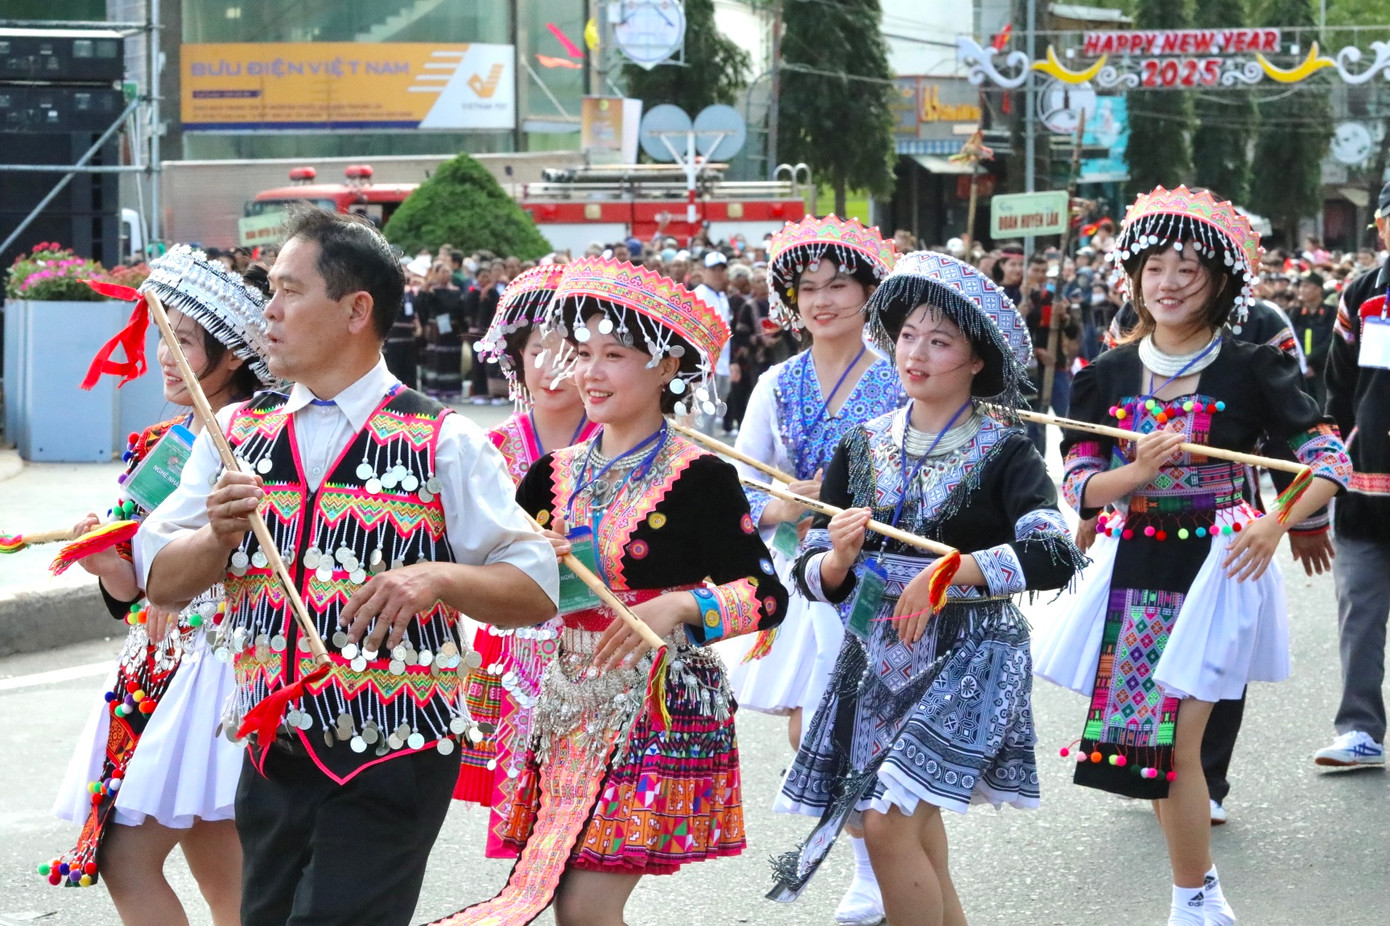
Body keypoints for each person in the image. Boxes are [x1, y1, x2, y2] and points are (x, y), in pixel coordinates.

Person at [136, 208, 559, 926]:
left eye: (288, 290)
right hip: (272, 752)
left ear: (357, 309)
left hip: (393, 755)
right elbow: (160, 579)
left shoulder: (443, 439)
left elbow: (536, 587)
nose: (267, 311)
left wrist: (439, 578)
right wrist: (216, 537)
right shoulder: (235, 434)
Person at [1033, 186, 1350, 925]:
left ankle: (1193, 900)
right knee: (1154, 748)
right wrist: (1135, 474)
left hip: (1220, 567)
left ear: (1221, 282)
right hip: (1137, 565)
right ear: (1133, 277)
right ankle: (1198, 895)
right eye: (1155, 268)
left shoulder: (1251, 367)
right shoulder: (1103, 375)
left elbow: (1326, 457)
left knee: (1182, 737)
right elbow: (1079, 485)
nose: (1169, 283)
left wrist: (1276, 523)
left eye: (1189, 268)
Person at [450, 256, 787, 926]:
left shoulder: (700, 477)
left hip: (652, 707)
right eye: (582, 355)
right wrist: (523, 561)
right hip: (559, 706)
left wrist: (683, 606)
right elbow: (492, 582)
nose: (589, 374)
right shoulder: (549, 476)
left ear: (664, 368)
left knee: (583, 907)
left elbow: (768, 594)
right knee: (566, 907)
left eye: (614, 355)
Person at [771, 250, 1084, 926]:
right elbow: (814, 566)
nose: (916, 352)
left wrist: (952, 574)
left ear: (976, 362)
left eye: (940, 341)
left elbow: (1054, 554)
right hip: (880, 656)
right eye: (909, 335)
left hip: (971, 654)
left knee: (886, 822)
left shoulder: (1007, 451)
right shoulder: (859, 445)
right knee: (904, 823)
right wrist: (837, 559)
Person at [46, 246, 277, 924]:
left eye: (184, 341)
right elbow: (139, 592)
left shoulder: (259, 445)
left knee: (132, 858)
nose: (165, 357)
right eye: (161, 339)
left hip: (217, 672)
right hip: (161, 667)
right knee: (225, 882)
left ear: (233, 355)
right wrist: (110, 566)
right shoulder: (161, 447)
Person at [727, 214, 902, 926]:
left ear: (869, 293)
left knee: (860, 728)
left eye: (839, 284)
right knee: (812, 731)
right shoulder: (775, 382)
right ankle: (866, 869)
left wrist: (855, 504)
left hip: (879, 571)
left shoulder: (898, 377)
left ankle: (888, 866)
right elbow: (738, 489)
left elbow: (918, 475)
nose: (822, 299)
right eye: (808, 288)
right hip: (803, 574)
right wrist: (781, 503)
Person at [454, 262, 599, 848]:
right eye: (540, 349)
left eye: (571, 349)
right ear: (516, 357)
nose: (553, 366)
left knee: (590, 818)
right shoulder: (490, 449)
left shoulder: (619, 442)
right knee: (524, 815)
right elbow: (463, 549)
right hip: (516, 639)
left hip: (596, 633)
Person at [1313, 180, 1390, 769]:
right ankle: (1360, 727)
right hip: (1367, 489)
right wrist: (1329, 462)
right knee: (1359, 612)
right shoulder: (1363, 295)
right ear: (1381, 227)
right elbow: (1336, 391)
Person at [417, 258, 465, 398]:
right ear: (436, 274)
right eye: (443, 272)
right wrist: (425, 324)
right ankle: (435, 389)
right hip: (436, 329)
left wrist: (463, 329)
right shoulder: (431, 292)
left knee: (452, 359)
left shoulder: (456, 291)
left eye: (448, 272)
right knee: (436, 359)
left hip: (452, 329)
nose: (446, 274)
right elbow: (421, 307)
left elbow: (460, 311)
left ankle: (452, 390)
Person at [1291, 271, 1336, 407]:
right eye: (1301, 286)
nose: (1302, 290)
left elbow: (1331, 339)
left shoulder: (1331, 312)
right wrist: (1301, 363)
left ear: (1319, 289)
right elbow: (1291, 338)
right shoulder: (1295, 313)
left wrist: (1311, 361)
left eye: (1306, 286)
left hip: (1323, 368)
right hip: (1299, 369)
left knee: (1324, 407)